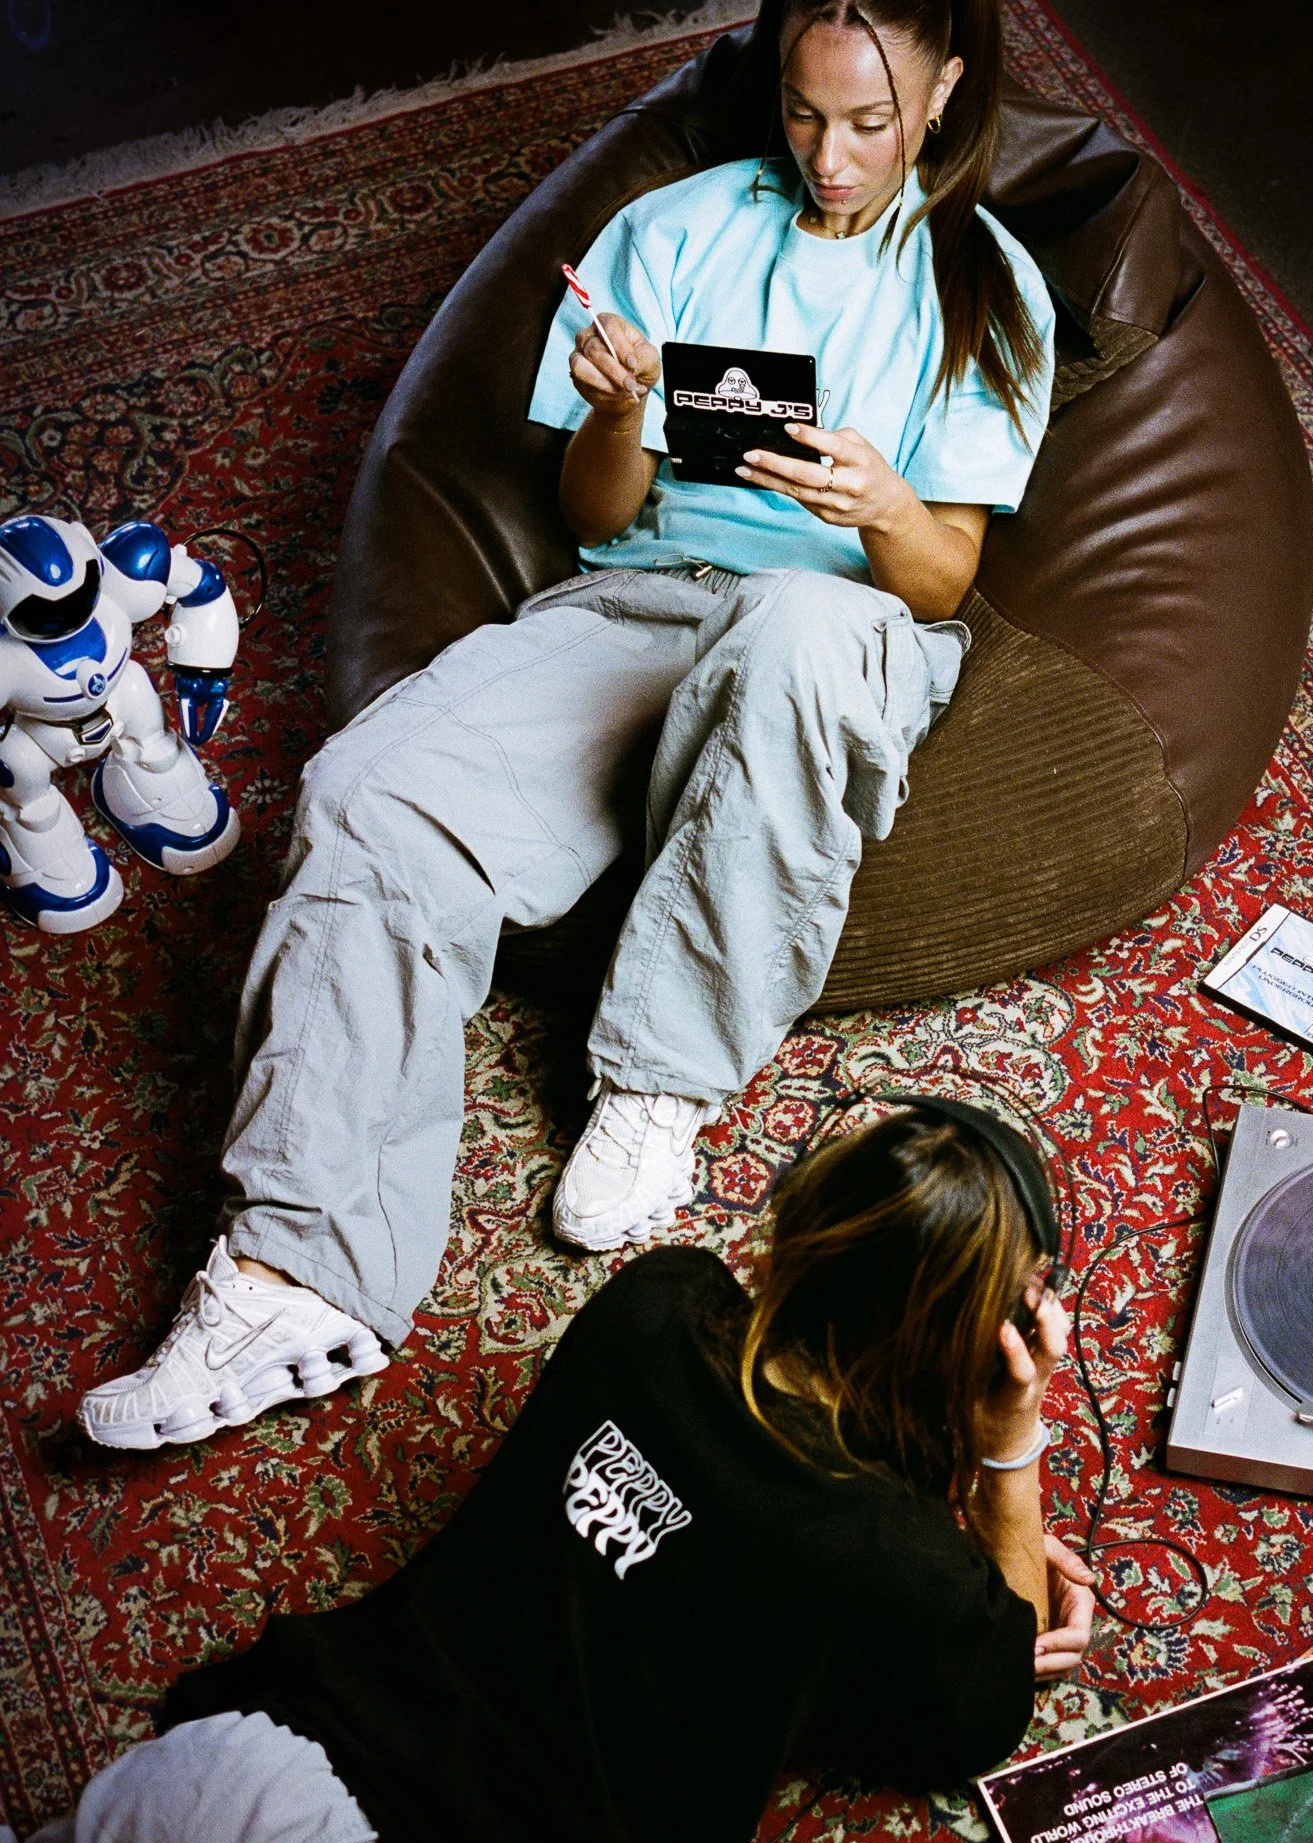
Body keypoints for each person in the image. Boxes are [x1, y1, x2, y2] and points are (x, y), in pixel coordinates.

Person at [76, 0, 1056, 1450]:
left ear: (948, 86)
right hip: (642, 606)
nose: (830, 157)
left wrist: (883, 506)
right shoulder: (671, 231)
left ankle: (662, 1078)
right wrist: (615, 416)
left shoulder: (983, 282)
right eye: (801, 114)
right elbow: (594, 516)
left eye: (871, 121)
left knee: (798, 624)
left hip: (843, 629)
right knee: (369, 792)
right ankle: (302, 1272)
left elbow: (944, 578)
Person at [3, 1106, 1096, 1843]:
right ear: (980, 1343)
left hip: (237, 1775)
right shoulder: (891, 1563)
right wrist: (1007, 1442)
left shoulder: (656, 1301)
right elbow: (987, 1699)